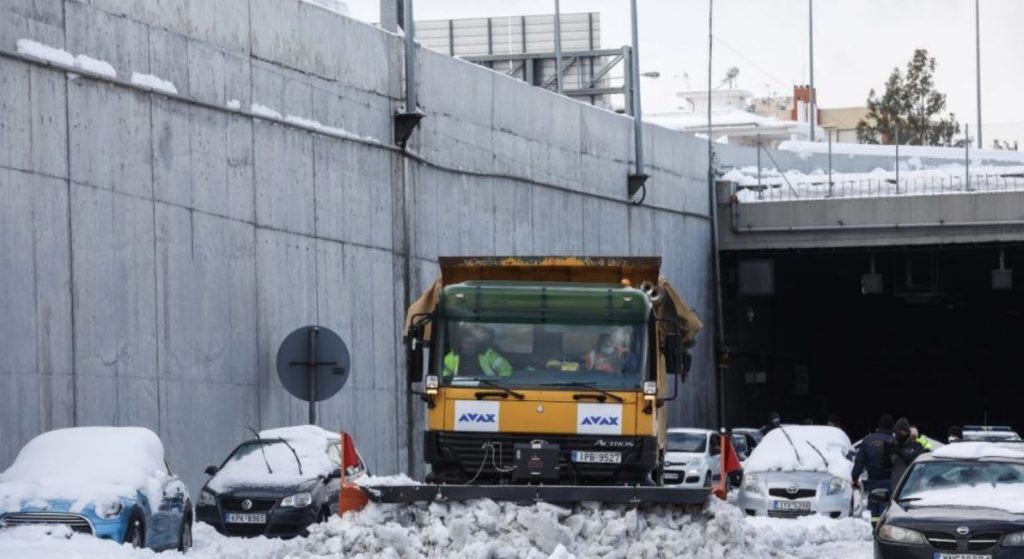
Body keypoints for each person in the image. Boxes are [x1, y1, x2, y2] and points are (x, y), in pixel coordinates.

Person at [852, 414, 895, 525]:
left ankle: (875, 528)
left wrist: (854, 477)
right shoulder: (894, 441)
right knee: (885, 508)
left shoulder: (867, 440)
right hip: (889, 481)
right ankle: (883, 529)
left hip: (873, 481)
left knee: (874, 508)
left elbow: (859, 461)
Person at [442, 325, 513, 377]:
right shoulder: (451, 357)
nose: (469, 346)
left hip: (486, 387)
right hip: (458, 389)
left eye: (472, 343)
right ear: (461, 342)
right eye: (467, 343)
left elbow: (506, 370)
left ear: (476, 343)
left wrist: (499, 384)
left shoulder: (488, 354)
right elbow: (444, 376)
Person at [887, 417, 929, 489]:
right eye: (896, 433)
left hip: (912, 488)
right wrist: (886, 452)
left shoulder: (916, 445)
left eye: (900, 433)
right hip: (896, 488)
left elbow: (914, 459)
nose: (897, 435)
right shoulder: (895, 446)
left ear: (906, 432)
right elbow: (886, 466)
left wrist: (899, 452)